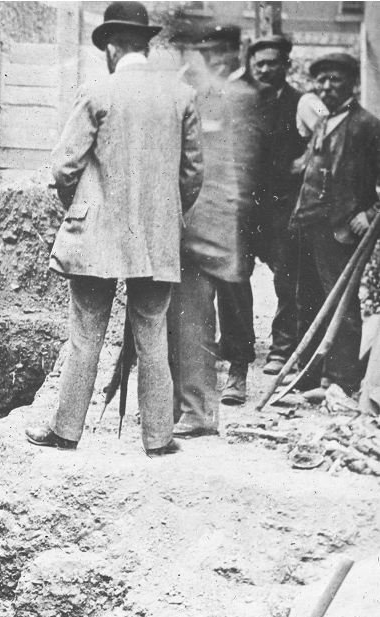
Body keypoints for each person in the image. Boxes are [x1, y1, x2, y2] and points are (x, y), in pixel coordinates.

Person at [25, 0, 203, 456]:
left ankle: (65, 431)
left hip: (96, 236)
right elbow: (192, 176)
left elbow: (64, 167)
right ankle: (159, 439)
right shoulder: (181, 96)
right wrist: (162, 216)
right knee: (152, 334)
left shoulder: (97, 92)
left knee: (85, 334)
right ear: (143, 44)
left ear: (114, 47)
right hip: (155, 239)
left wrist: (84, 207)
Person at [169, 29, 260, 438]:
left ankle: (203, 407)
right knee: (191, 321)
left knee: (217, 320)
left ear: (231, 54)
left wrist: (232, 231)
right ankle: (192, 407)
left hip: (223, 229)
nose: (211, 60)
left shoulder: (241, 96)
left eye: (217, 52)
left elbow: (244, 173)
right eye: (206, 52)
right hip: (197, 226)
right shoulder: (202, 93)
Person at [216, 36, 307, 405]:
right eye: (260, 63)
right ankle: (238, 365)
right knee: (233, 283)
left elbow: (325, 140)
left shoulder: (302, 103)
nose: (267, 69)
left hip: (282, 211)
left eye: (274, 62)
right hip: (241, 208)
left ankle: (282, 351)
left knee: (289, 279)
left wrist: (304, 162)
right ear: (250, 65)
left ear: (286, 64)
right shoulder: (234, 97)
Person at [289, 52, 380, 398]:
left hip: (341, 229)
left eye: (335, 79)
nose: (327, 86)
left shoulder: (366, 125)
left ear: (352, 83)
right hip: (309, 224)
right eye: (322, 79)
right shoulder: (323, 121)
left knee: (341, 303)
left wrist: (370, 214)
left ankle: (342, 381)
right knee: (307, 301)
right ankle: (309, 377)